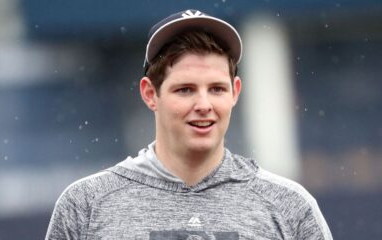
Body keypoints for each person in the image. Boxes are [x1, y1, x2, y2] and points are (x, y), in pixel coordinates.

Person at [45, 9, 333, 240]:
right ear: (150, 93)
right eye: (185, 89)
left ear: (235, 92)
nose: (204, 105)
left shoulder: (290, 206)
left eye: (217, 89)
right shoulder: (85, 205)